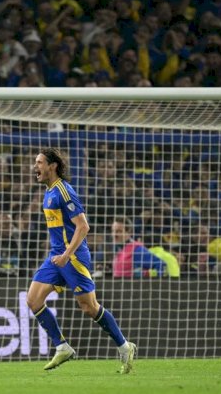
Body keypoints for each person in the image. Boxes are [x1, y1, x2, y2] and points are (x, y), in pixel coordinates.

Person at [26, 148, 137, 373]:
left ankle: (125, 346)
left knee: (89, 307)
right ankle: (62, 346)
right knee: (33, 301)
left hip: (72, 256)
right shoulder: (48, 192)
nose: (35, 167)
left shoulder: (64, 191)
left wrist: (67, 254)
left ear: (52, 166)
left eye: (39, 163)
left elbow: (83, 226)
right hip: (56, 256)